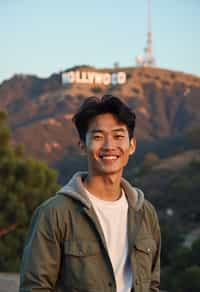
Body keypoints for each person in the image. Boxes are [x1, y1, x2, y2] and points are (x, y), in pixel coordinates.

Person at [20, 95, 161, 292]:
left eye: (118, 136)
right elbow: (35, 287)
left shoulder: (146, 213)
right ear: (82, 145)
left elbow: (152, 285)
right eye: (98, 136)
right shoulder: (54, 214)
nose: (109, 146)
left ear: (132, 145)